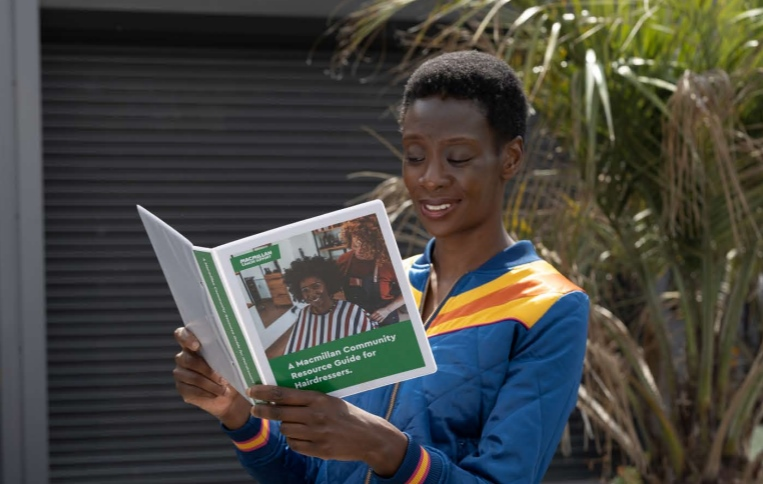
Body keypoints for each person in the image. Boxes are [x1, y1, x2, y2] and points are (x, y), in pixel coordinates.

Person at [173, 50, 589, 483]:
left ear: (511, 158)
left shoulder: (548, 305)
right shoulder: (384, 286)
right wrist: (236, 413)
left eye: (458, 158)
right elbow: (310, 474)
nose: (430, 177)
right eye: (414, 156)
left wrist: (381, 446)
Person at [282, 255, 375, 354]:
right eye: (305, 290)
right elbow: (295, 349)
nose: (312, 294)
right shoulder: (304, 313)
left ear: (328, 284)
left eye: (316, 286)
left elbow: (371, 343)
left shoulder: (351, 311)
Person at [336, 215, 404, 325]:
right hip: (356, 319)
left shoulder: (388, 262)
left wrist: (388, 310)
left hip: (385, 317)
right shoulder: (343, 260)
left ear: (377, 245)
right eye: (356, 245)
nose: (359, 250)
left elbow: (409, 291)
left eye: (365, 246)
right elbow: (336, 289)